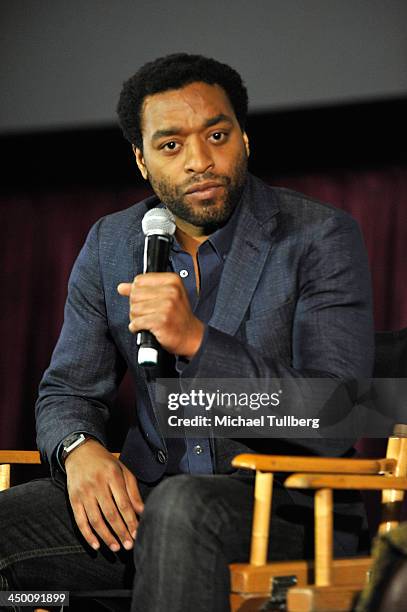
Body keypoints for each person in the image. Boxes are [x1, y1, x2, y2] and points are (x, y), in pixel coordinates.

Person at [0, 53, 374, 611]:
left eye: (217, 135)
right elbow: (67, 391)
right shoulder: (112, 245)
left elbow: (336, 413)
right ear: (142, 161)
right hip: (149, 501)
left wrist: (198, 341)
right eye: (171, 145)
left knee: (182, 508)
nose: (200, 160)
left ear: (245, 139)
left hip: (285, 508)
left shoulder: (318, 237)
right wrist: (80, 450)